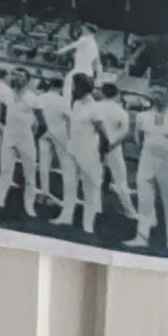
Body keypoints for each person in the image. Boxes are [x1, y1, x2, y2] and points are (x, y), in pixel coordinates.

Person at [128, 84, 168, 255]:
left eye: (161, 94)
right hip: (148, 162)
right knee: (144, 200)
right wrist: (146, 153)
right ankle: (141, 237)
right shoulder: (142, 117)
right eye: (155, 93)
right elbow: (138, 138)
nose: (158, 97)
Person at [0, 67, 42, 217]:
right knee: (5, 170)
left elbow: (42, 123)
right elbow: (2, 117)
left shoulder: (33, 98)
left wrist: (33, 138)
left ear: (27, 80)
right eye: (14, 75)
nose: (15, 78)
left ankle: (29, 205)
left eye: (19, 76)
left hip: (26, 139)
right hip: (9, 137)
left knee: (30, 174)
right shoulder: (8, 95)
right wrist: (5, 131)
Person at [61, 73, 105, 234]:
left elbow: (104, 135)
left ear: (82, 88)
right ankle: (66, 216)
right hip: (72, 149)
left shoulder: (95, 108)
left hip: (88, 153)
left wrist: (100, 154)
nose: (72, 90)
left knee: (89, 188)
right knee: (69, 184)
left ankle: (88, 224)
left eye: (74, 86)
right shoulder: (77, 104)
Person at [97, 79, 138, 224]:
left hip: (96, 146)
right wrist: (112, 144)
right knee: (121, 181)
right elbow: (125, 132)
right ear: (116, 94)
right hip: (113, 148)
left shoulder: (95, 107)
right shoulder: (120, 111)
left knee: (95, 179)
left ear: (102, 93)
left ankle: (95, 207)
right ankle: (130, 213)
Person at [35, 76, 76, 216]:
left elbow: (37, 114)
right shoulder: (62, 100)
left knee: (43, 163)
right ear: (61, 87)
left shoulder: (41, 97)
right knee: (66, 165)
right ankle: (68, 198)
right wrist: (70, 137)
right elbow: (69, 118)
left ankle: (44, 193)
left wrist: (41, 126)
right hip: (59, 132)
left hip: (44, 131)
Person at [60, 23, 102, 101]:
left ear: (88, 31)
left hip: (79, 73)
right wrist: (98, 79)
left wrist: (61, 50)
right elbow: (98, 63)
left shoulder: (84, 39)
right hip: (89, 74)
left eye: (84, 30)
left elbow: (72, 45)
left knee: (70, 92)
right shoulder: (95, 44)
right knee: (84, 96)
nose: (82, 32)